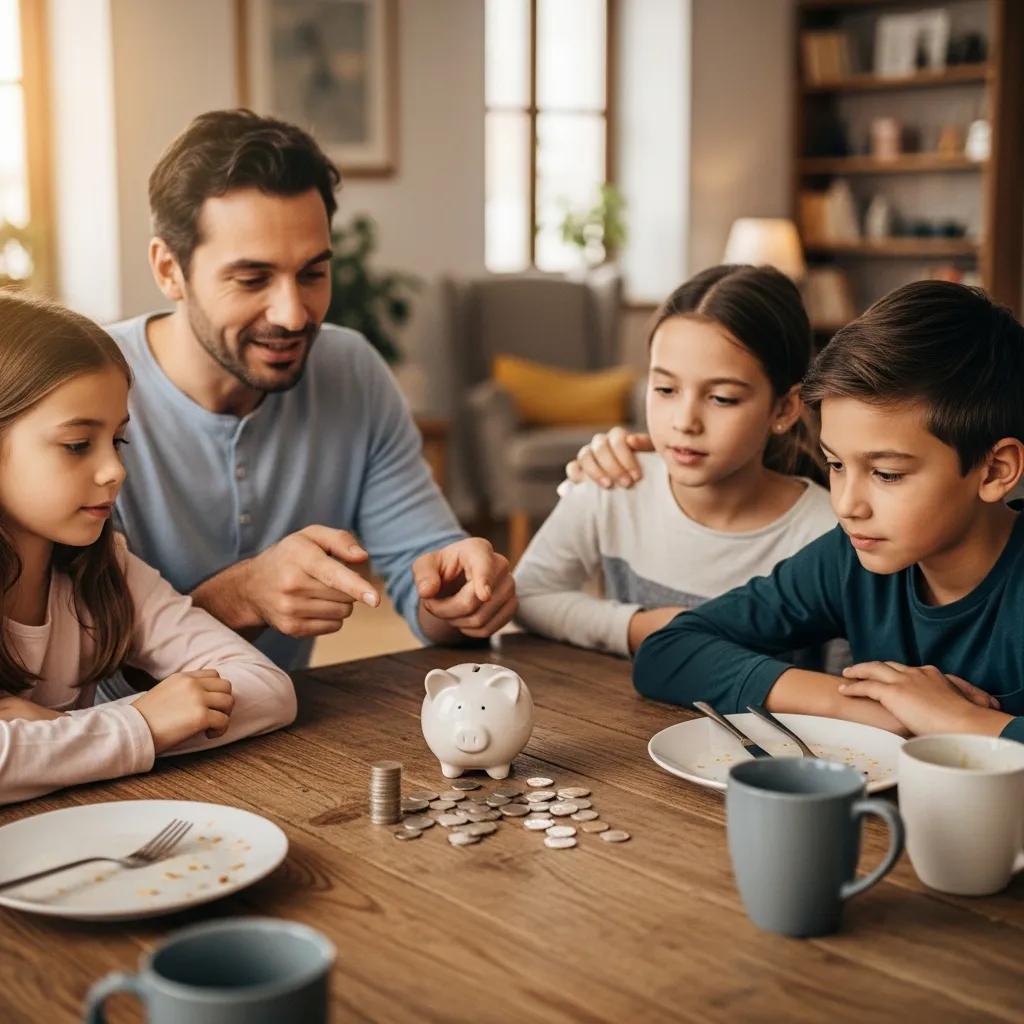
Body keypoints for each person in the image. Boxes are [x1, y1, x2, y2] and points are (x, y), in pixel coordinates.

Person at [104, 109, 515, 678]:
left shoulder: (352, 371)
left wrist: (460, 596)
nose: (294, 314)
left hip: (288, 728)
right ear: (169, 269)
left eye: (313, 273)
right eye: (252, 280)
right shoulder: (86, 395)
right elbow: (85, 666)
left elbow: (428, 592)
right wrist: (244, 595)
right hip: (123, 751)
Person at [633, 280, 1024, 743]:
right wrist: (850, 702)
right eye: (836, 465)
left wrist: (961, 721)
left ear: (995, 470)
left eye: (888, 474)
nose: (846, 505)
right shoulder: (848, 560)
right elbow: (667, 651)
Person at [0, 293, 295, 804]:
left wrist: (57, 734)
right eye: (76, 445)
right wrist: (140, 724)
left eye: (118, 441)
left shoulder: (107, 567)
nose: (115, 470)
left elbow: (269, 691)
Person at [513, 265, 835, 656]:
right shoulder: (613, 485)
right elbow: (527, 594)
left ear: (783, 408)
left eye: (721, 398)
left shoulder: (828, 534)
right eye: (665, 388)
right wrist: (638, 628)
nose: (685, 422)